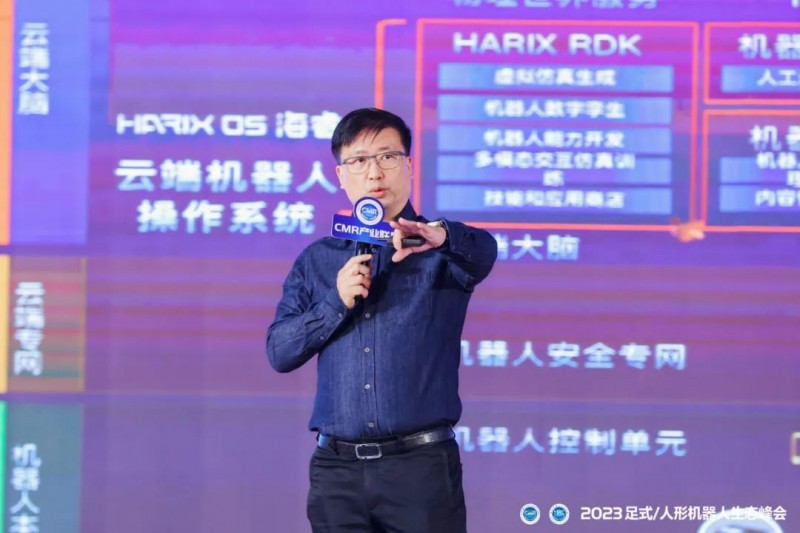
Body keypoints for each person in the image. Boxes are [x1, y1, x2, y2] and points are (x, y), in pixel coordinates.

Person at [266, 107, 497, 533]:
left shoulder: (440, 251)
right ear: (340, 176)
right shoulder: (318, 260)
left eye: (387, 157)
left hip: (420, 469)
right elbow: (280, 352)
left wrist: (443, 235)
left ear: (409, 165)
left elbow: (484, 252)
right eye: (359, 160)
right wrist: (336, 301)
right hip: (336, 472)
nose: (374, 172)